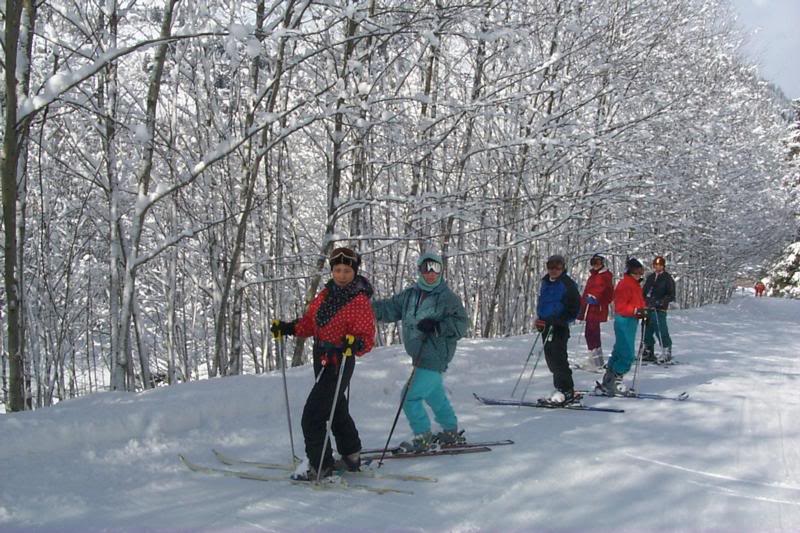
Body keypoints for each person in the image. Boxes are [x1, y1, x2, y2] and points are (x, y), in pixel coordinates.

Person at [271, 247, 375, 480]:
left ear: (354, 272)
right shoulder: (325, 295)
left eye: (347, 270)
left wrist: (355, 343)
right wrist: (288, 328)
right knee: (336, 408)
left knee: (313, 416)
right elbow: (310, 323)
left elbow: (367, 338)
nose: (341, 275)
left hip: (340, 360)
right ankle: (351, 454)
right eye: (337, 270)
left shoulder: (358, 300)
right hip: (321, 358)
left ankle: (321, 466)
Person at [372, 251, 469, 452]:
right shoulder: (410, 295)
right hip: (419, 355)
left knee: (409, 397)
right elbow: (388, 308)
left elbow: (461, 325)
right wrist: (363, 307)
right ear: (419, 270)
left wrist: (437, 326)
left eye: (436, 268)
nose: (431, 273)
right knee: (435, 395)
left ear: (441, 271)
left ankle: (423, 436)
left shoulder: (447, 298)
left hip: (435, 355)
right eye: (427, 268)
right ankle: (450, 430)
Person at [534, 254, 581, 405]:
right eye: (550, 267)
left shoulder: (567, 284)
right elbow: (543, 303)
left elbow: (575, 308)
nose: (553, 270)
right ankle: (560, 388)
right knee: (550, 359)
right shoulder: (545, 282)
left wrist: (561, 320)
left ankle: (567, 390)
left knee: (559, 358)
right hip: (546, 325)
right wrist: (540, 319)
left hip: (559, 326)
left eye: (557, 267)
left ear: (563, 268)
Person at [599, 258, 648, 396]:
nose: (639, 273)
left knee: (619, 350)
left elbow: (638, 302)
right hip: (624, 320)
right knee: (627, 353)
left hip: (631, 320)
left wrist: (643, 311)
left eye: (641, 270)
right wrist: (636, 311)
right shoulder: (625, 284)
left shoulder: (634, 284)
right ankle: (615, 380)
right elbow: (621, 306)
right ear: (630, 270)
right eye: (636, 271)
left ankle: (609, 379)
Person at [579, 254, 614, 371]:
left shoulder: (604, 276)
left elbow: (609, 294)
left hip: (596, 309)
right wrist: (582, 305)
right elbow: (588, 291)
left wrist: (597, 299)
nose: (595, 265)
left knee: (592, 333)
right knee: (590, 333)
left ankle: (596, 362)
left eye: (598, 262)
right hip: (589, 308)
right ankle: (595, 360)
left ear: (602, 263)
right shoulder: (593, 276)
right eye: (593, 262)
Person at [642, 256, 676, 363]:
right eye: (656, 265)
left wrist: (661, 302)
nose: (658, 267)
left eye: (660, 265)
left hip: (659, 309)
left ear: (663, 266)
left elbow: (671, 295)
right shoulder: (651, 277)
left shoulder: (667, 278)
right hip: (648, 307)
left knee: (660, 329)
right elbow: (644, 291)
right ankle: (648, 350)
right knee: (646, 329)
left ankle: (666, 350)